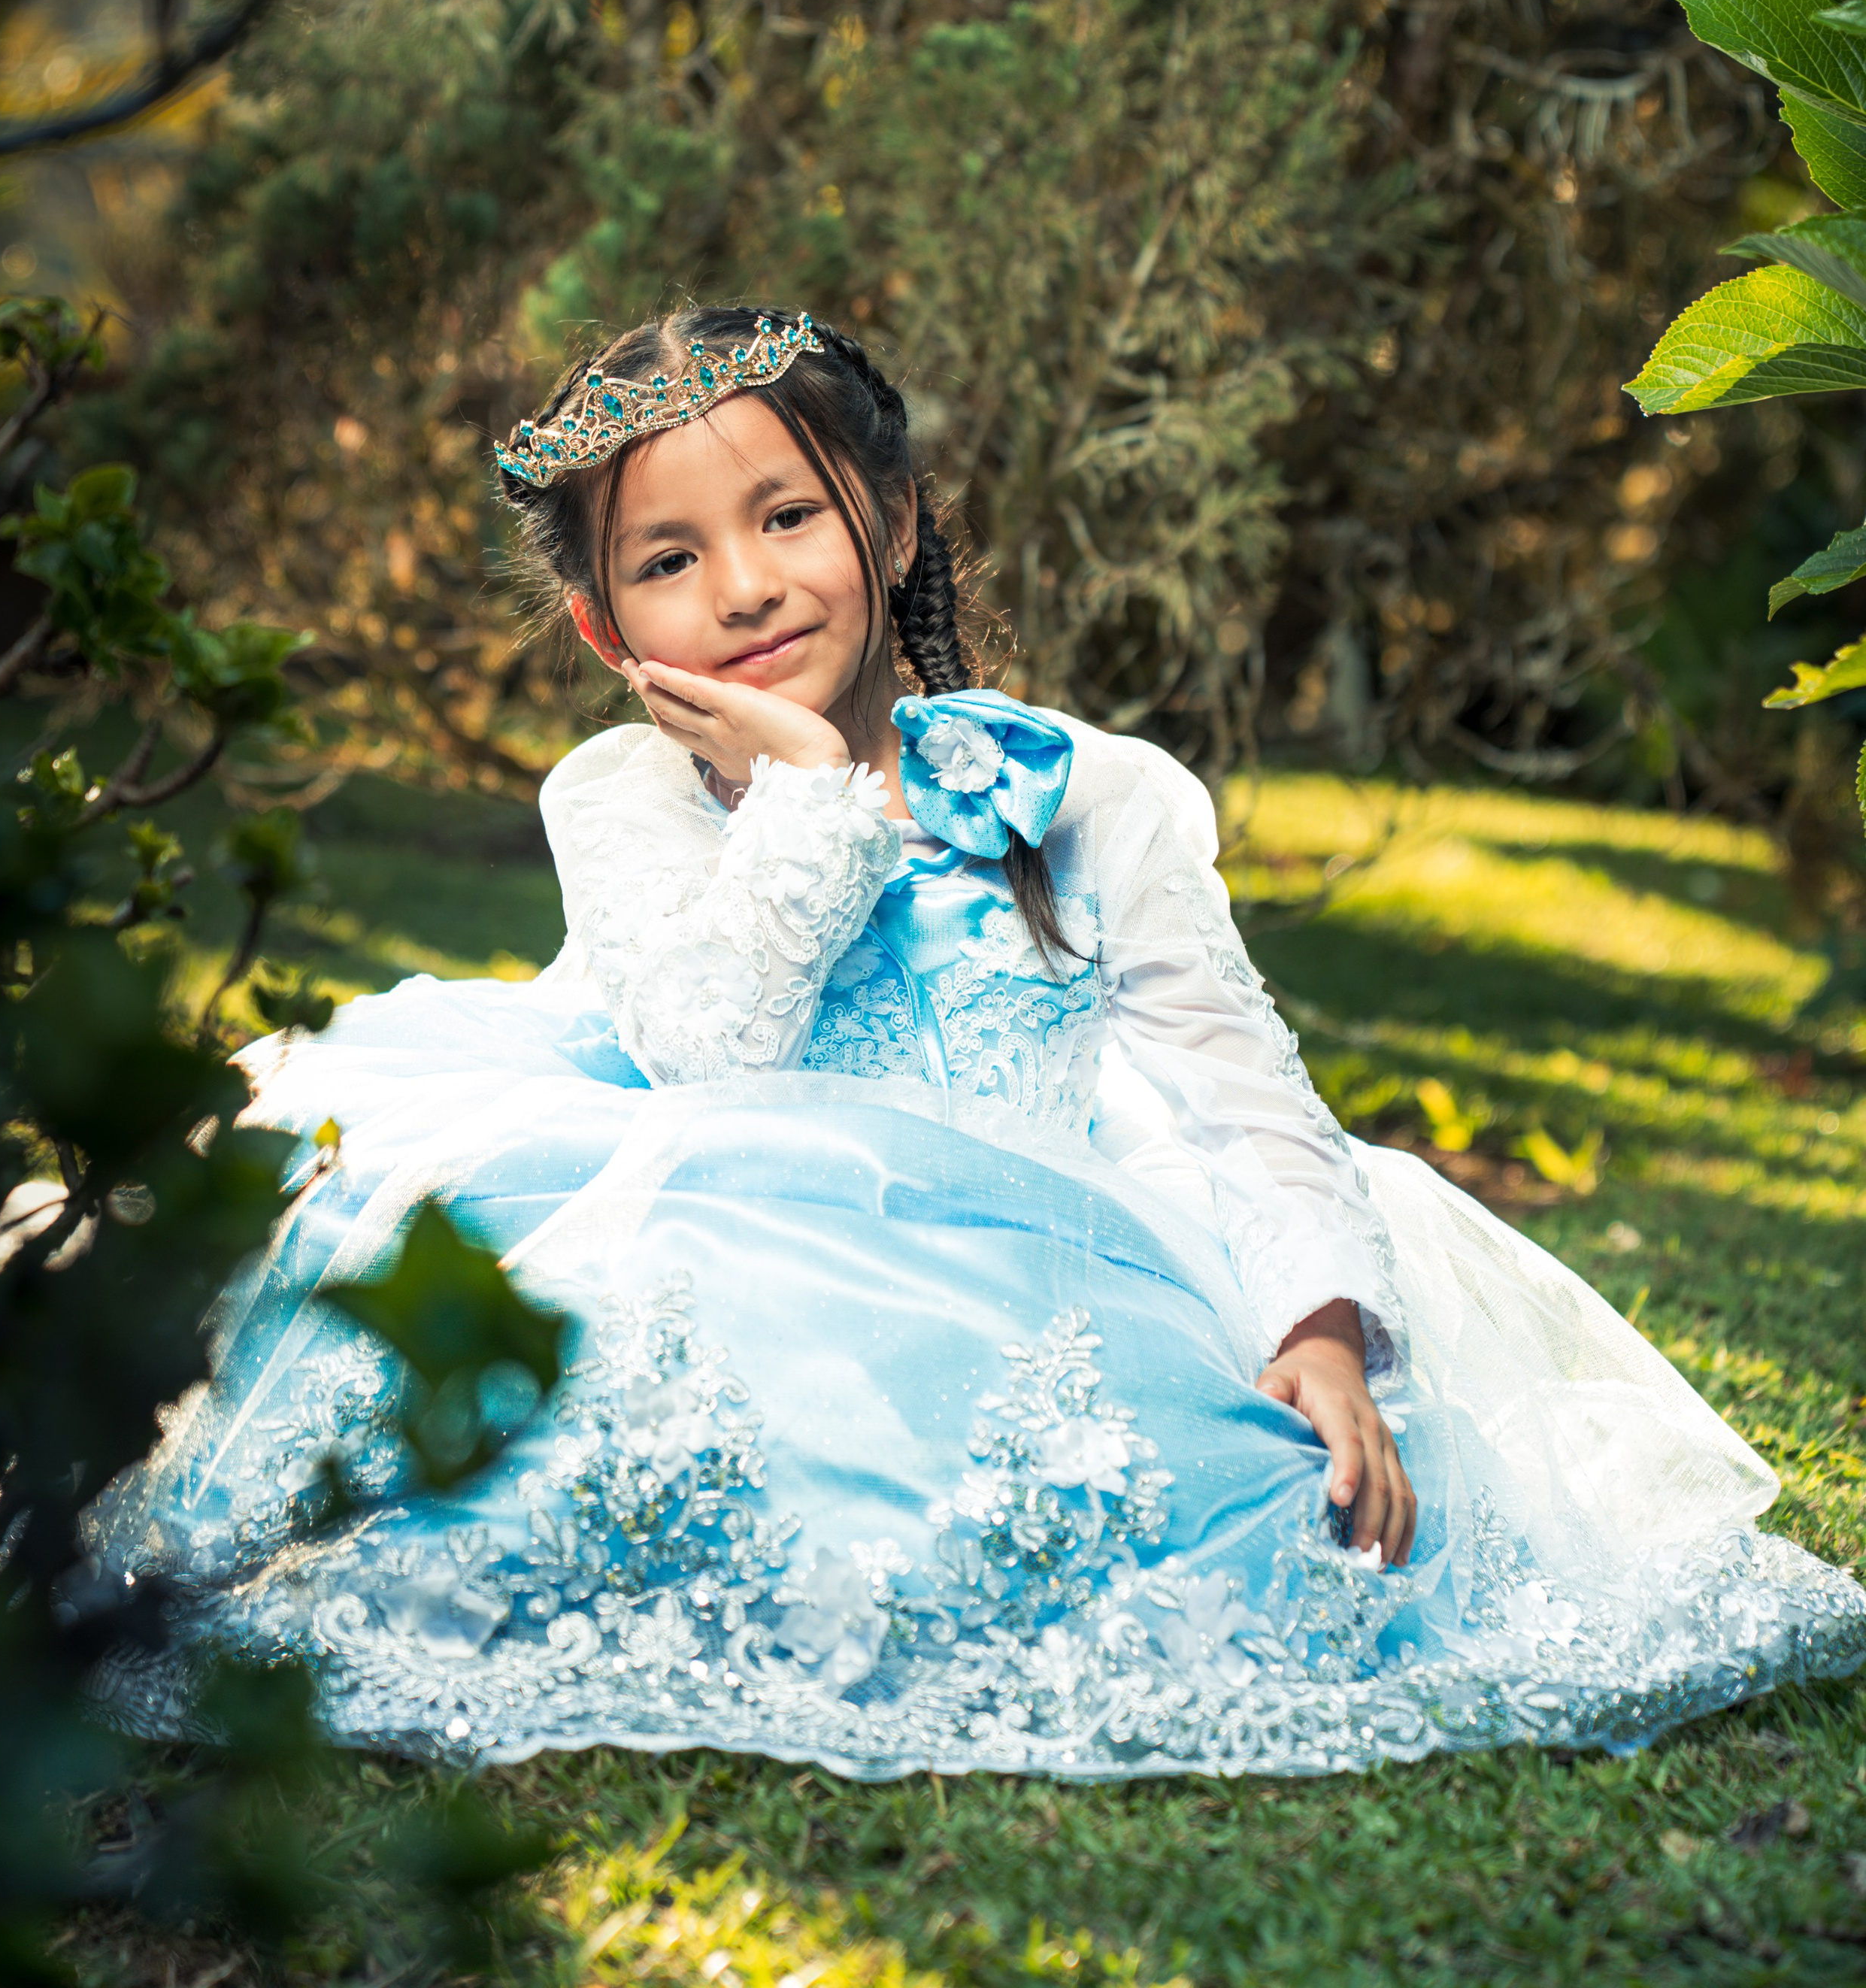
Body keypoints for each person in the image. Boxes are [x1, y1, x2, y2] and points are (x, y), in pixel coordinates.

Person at [90, 308, 1866, 1779]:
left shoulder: (1087, 793)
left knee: (1269, 1500)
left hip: (1039, 1242)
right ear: (602, 627)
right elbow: (716, 1064)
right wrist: (804, 800)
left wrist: (1317, 1326)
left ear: (894, 517)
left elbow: (1240, 1089)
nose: (744, 585)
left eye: (788, 516)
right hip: (710, 1206)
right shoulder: (621, 793)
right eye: (667, 558)